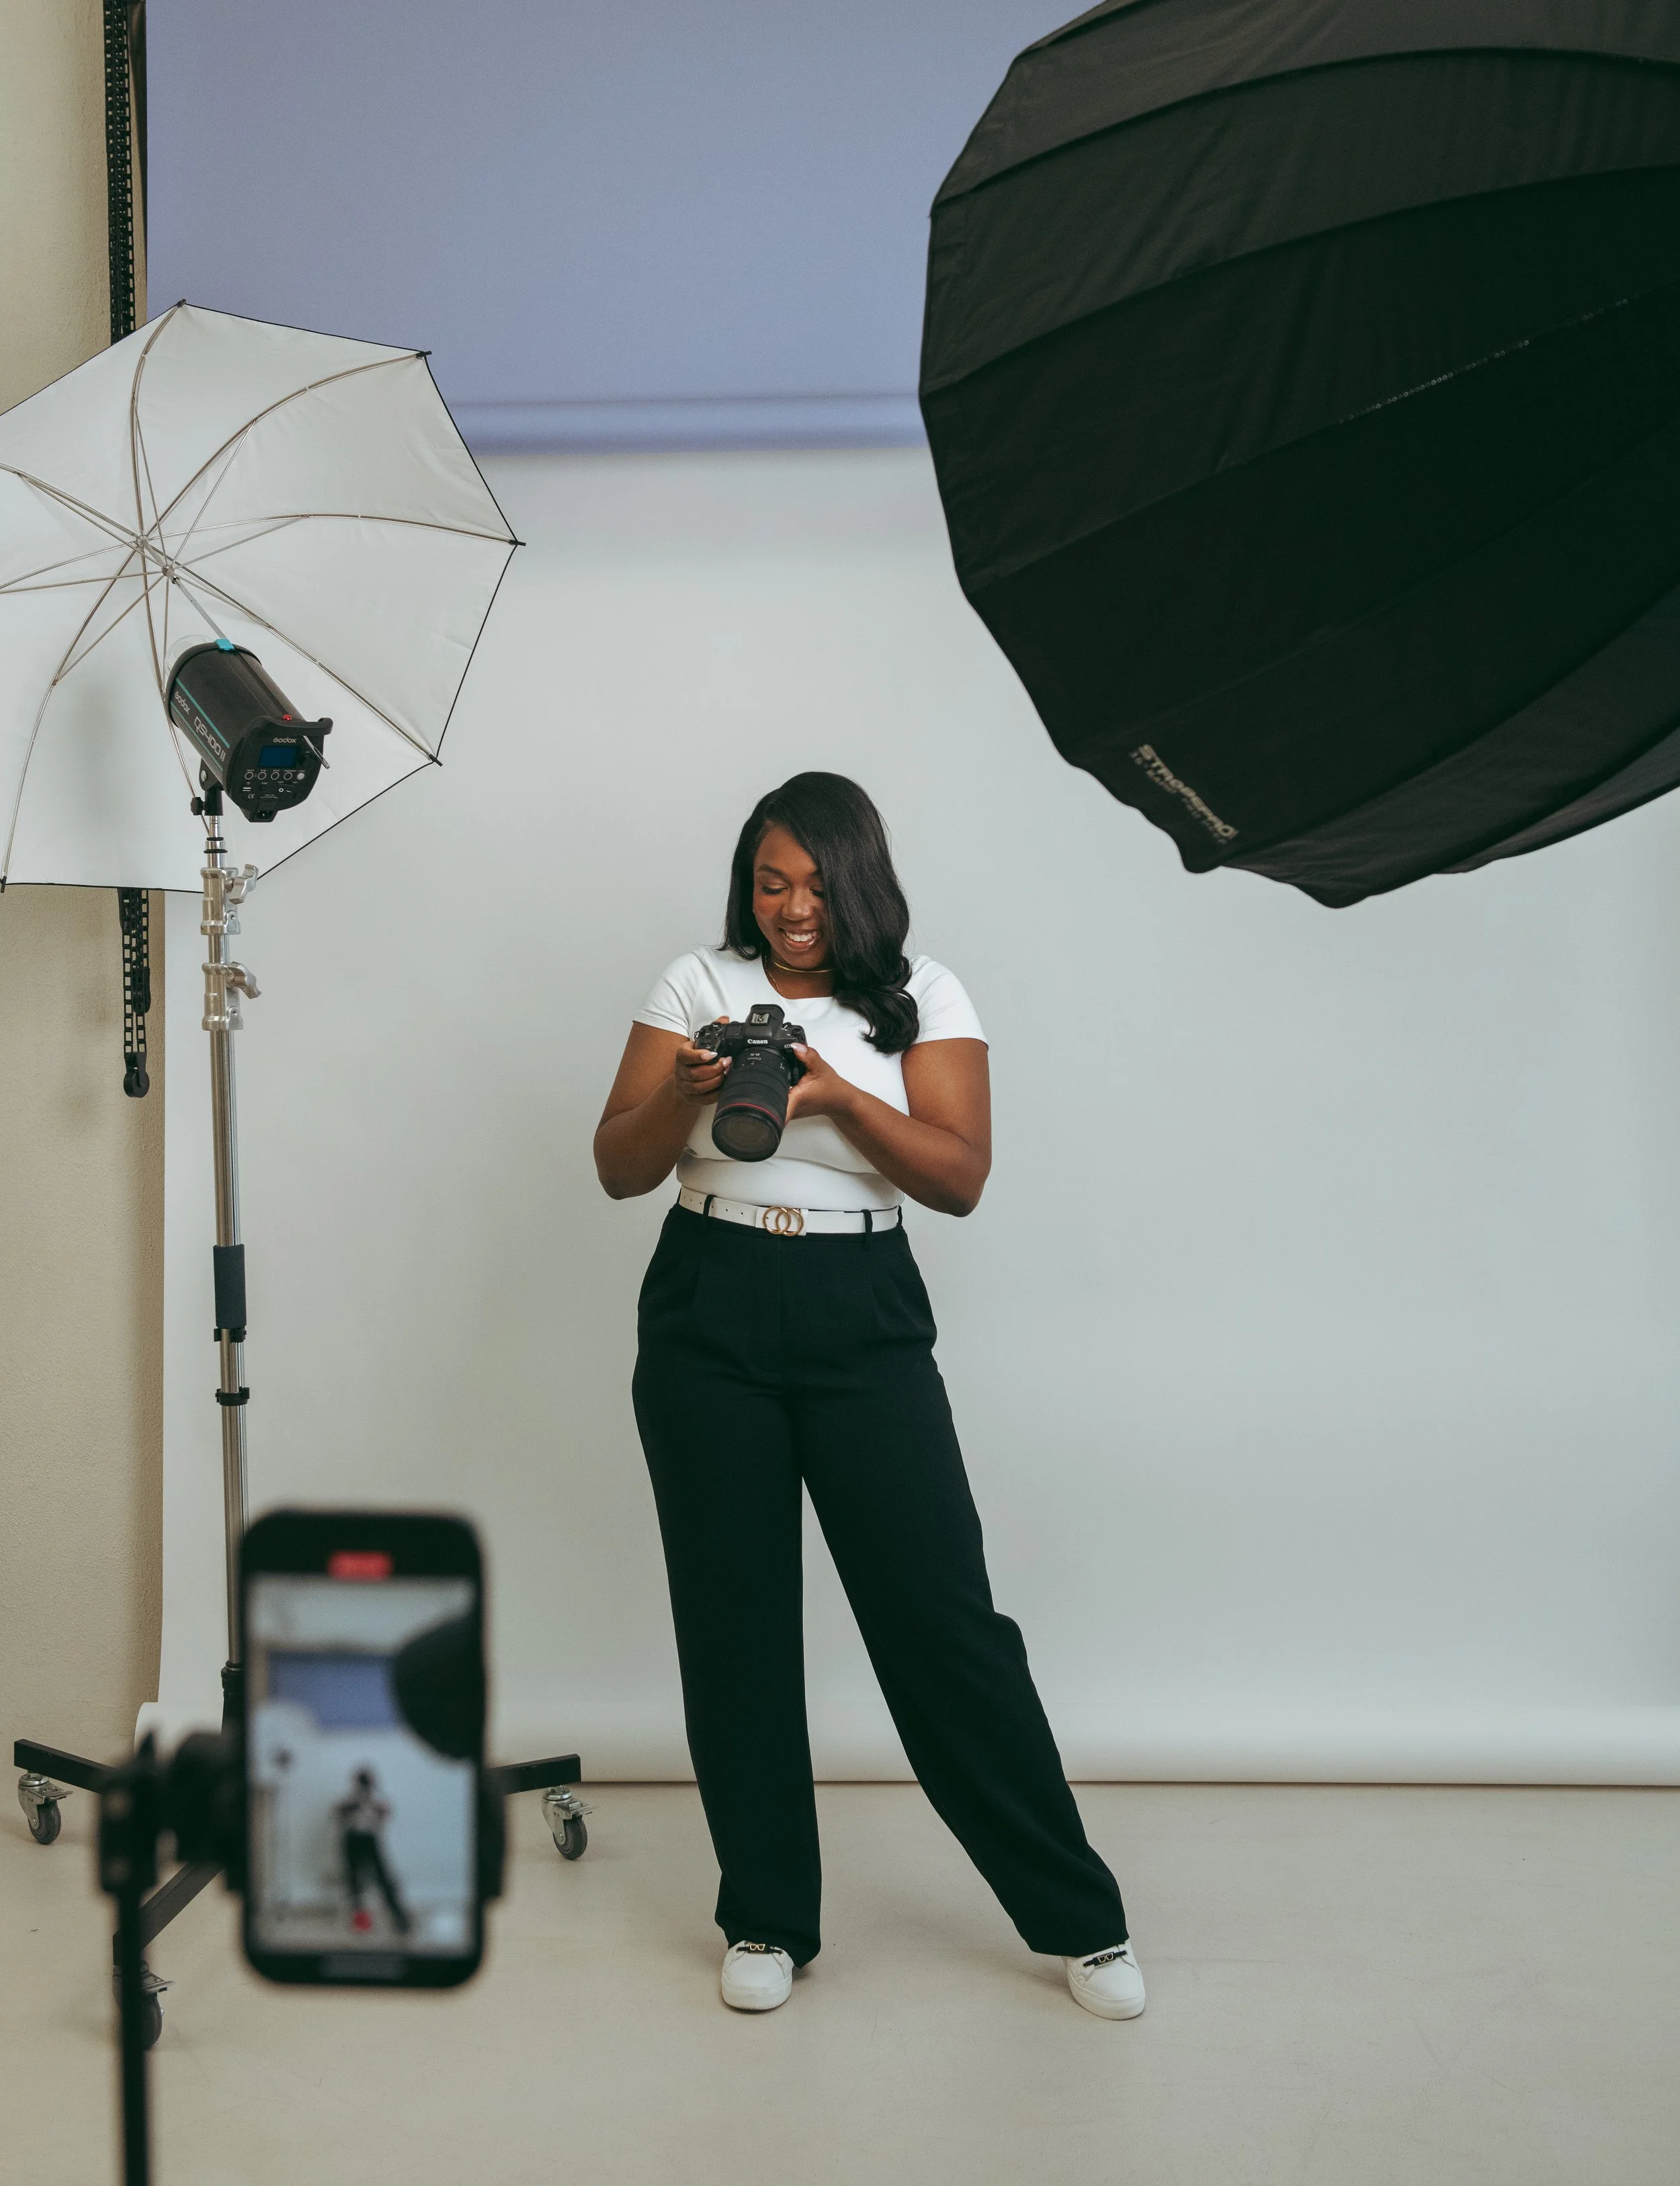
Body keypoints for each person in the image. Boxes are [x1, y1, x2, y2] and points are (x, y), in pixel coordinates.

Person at [594, 771, 1142, 2021]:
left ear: (861, 879)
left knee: (942, 1619)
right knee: (733, 1622)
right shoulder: (694, 982)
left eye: (816, 882)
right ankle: (768, 1916)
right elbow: (616, 1166)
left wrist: (837, 1091)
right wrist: (684, 1093)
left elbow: (960, 1176)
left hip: (863, 1311)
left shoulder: (921, 996)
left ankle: (1078, 1917)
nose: (793, 907)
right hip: (706, 1301)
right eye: (770, 880)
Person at [334, 1766, 411, 1936]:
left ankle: (401, 1921)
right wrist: (355, 1805)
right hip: (353, 1840)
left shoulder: (377, 1800)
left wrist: (373, 1806)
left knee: (385, 1881)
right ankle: (362, 1924)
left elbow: (385, 1815)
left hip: (370, 1841)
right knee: (355, 1884)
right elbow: (339, 1812)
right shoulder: (351, 1799)